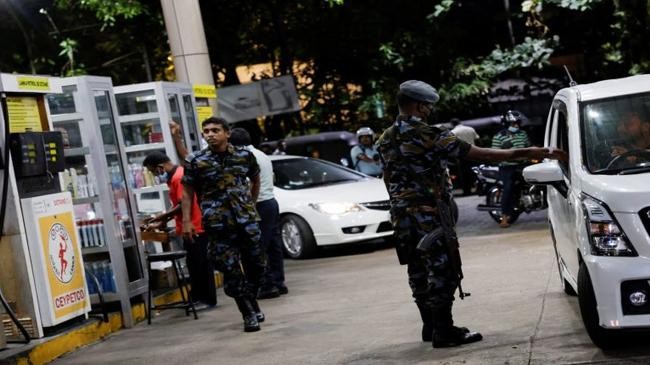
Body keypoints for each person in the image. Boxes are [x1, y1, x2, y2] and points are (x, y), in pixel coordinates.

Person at [376, 80, 565, 349]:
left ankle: (430, 326)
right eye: (428, 106)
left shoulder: (384, 139)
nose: (430, 111)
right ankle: (444, 331)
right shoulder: (430, 134)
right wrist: (532, 151)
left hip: (401, 216)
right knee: (443, 270)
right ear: (419, 106)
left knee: (417, 270)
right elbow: (483, 155)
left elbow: (387, 176)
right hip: (429, 215)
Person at [181, 117, 267, 332]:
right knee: (230, 269)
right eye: (206, 131)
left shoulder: (244, 156)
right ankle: (247, 313)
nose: (210, 134)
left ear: (227, 133)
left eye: (215, 130)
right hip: (217, 224)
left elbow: (255, 180)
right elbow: (187, 192)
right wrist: (187, 221)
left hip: (246, 221)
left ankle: (251, 298)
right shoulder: (195, 160)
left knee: (257, 265)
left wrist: (251, 205)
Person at [141, 151, 217, 310]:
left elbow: (183, 203)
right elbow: (177, 204)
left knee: (200, 265)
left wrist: (161, 217)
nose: (154, 175)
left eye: (153, 171)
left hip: (195, 227)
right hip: (190, 226)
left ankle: (205, 299)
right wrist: (163, 221)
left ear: (160, 167)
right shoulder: (177, 176)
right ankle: (198, 297)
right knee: (194, 264)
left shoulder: (178, 177)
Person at [229, 128, 288, 299]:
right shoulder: (261, 154)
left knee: (258, 247)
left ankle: (267, 285)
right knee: (273, 245)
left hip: (258, 204)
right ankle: (278, 282)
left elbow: (249, 185)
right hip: (270, 202)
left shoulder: (245, 158)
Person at [491, 110, 531, 228]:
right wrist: (507, 154)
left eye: (518, 123)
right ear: (506, 124)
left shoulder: (522, 134)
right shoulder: (499, 137)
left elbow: (528, 147)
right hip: (506, 167)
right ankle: (504, 217)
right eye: (514, 124)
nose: (516, 126)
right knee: (508, 188)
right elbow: (494, 154)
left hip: (521, 165)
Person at [450, 119, 479, 195]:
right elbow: (477, 140)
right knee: (475, 172)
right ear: (460, 122)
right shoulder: (470, 129)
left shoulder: (453, 132)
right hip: (474, 153)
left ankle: (467, 191)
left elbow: (452, 145)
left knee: (464, 174)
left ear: (452, 124)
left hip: (462, 156)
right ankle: (479, 188)